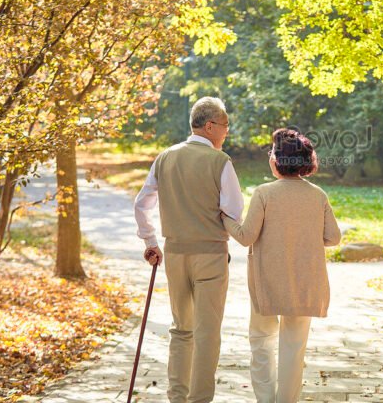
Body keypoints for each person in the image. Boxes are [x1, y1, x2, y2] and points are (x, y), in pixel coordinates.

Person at [133, 96, 244, 403]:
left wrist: (150, 242)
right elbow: (233, 211)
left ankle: (177, 398)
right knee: (207, 334)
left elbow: (142, 203)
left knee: (182, 330)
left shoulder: (165, 157)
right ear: (210, 126)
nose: (226, 132)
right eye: (224, 125)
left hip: (175, 255)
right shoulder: (220, 162)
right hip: (210, 255)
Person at [222, 128, 342, 403]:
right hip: (304, 282)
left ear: (276, 160)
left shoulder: (264, 193)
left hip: (267, 281)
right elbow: (333, 238)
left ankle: (265, 399)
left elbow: (246, 237)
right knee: (294, 347)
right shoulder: (318, 195)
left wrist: (225, 217)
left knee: (261, 341)